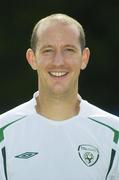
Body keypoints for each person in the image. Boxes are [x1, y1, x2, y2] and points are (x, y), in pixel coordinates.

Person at [0, 13, 119, 180]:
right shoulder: (3, 133)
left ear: (84, 58)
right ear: (32, 58)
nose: (58, 62)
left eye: (68, 50)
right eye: (48, 50)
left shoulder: (114, 135)